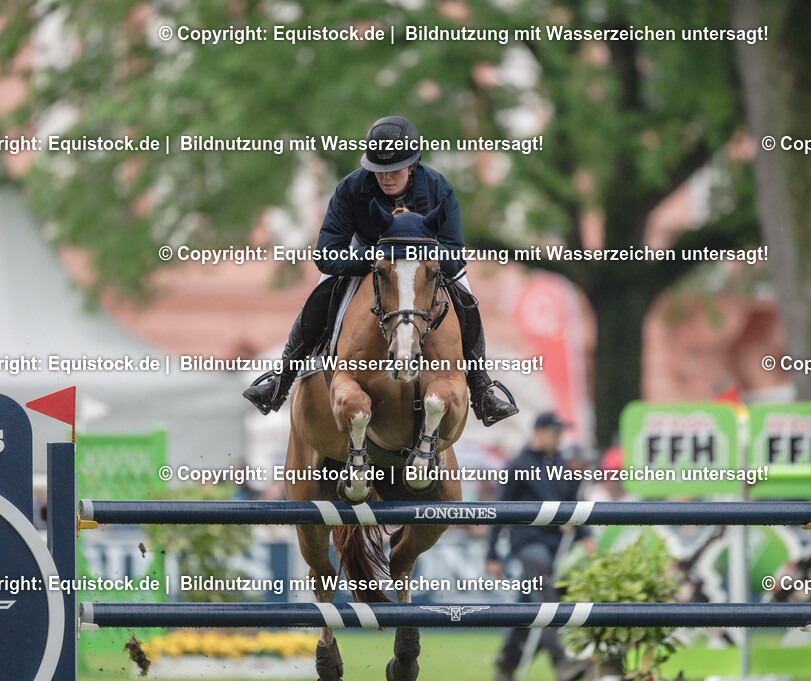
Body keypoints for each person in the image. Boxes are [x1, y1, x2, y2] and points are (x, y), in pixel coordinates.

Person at [242, 115, 518, 426]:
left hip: (424, 265)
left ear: (412, 165)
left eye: (394, 169)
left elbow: (454, 256)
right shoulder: (350, 188)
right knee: (321, 292)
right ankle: (281, 380)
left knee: (465, 298)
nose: (385, 177)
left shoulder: (438, 188)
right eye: (378, 169)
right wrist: (375, 260)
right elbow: (326, 255)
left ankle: (481, 388)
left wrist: (416, 258)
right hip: (368, 257)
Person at [486, 412, 590, 681]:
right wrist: (492, 554)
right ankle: (562, 664)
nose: (559, 439)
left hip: (554, 546)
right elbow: (499, 511)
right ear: (539, 432)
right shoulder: (517, 465)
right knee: (546, 598)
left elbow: (572, 504)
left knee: (529, 606)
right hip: (528, 543)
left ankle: (505, 666)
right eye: (555, 434)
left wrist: (584, 534)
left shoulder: (561, 464)